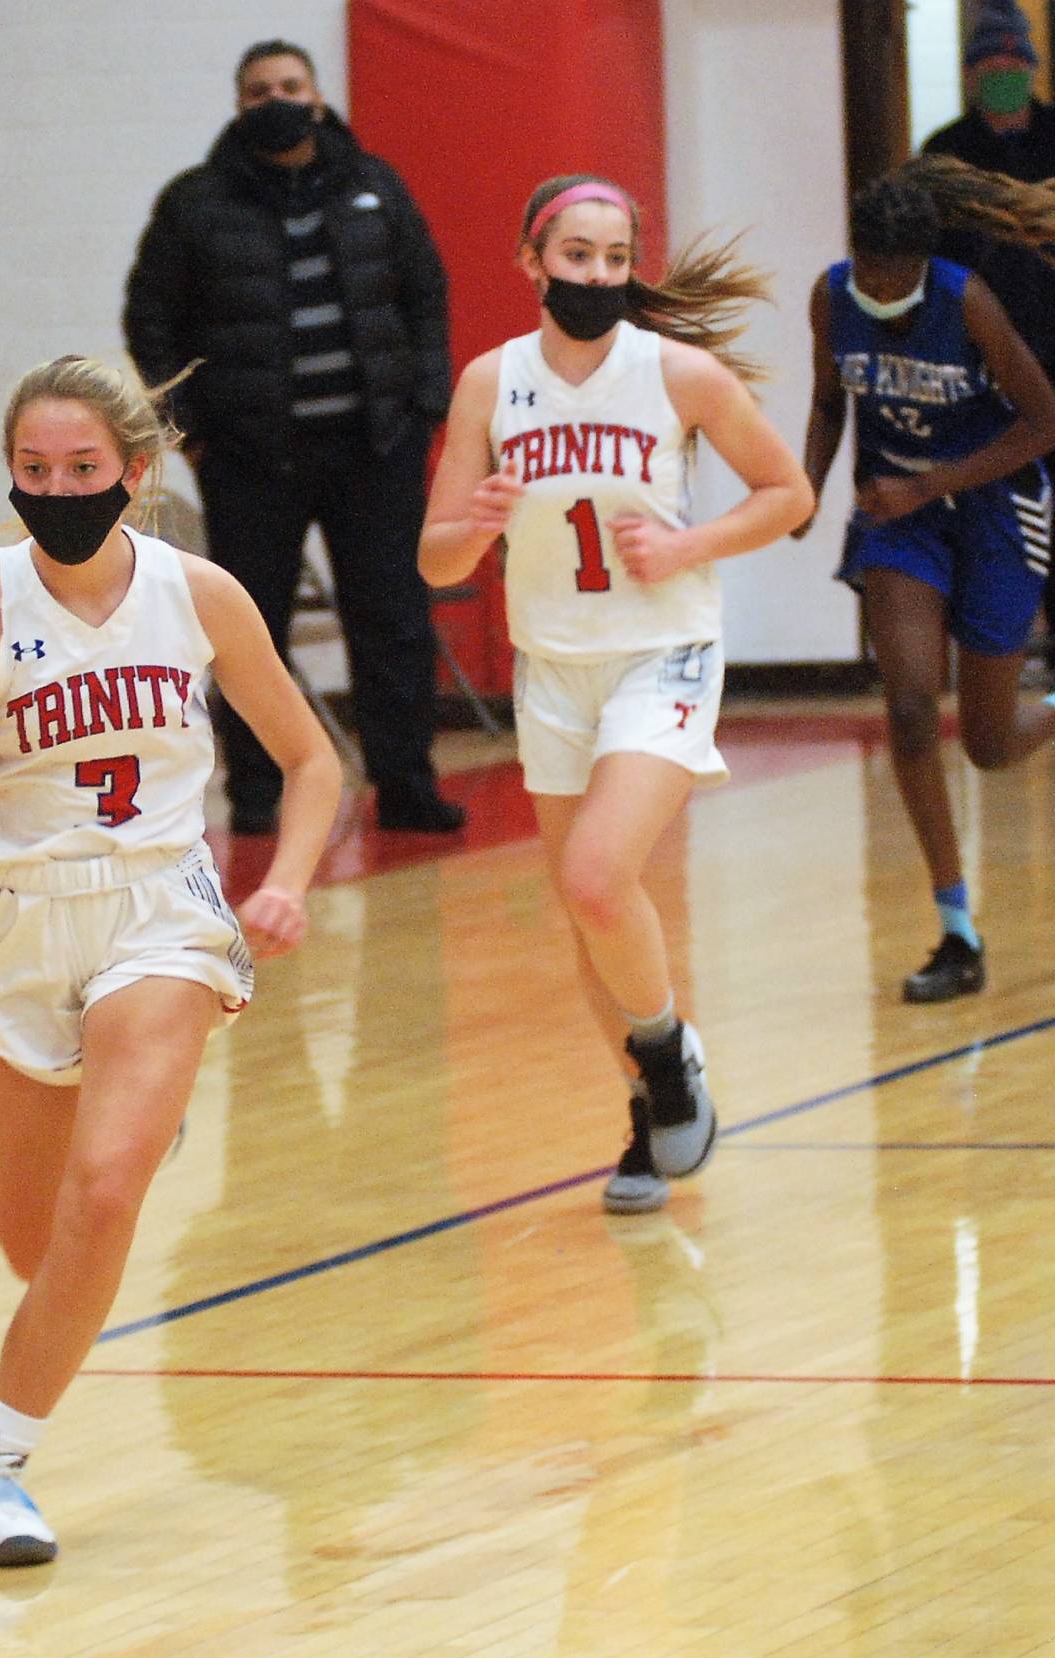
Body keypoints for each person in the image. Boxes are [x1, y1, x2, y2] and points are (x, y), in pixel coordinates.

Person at [0, 355, 340, 1566]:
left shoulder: (200, 595)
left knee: (103, 1197)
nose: (57, 489)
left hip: (158, 910)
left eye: (82, 469)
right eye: (34, 471)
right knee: (38, 1247)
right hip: (15, 920)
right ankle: (124, 1111)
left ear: (135, 474)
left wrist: (287, 882)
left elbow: (312, 763)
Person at [418, 174, 812, 1216]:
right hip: (552, 665)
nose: (594, 273)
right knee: (586, 913)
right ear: (531, 260)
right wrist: (476, 523)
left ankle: (668, 1051)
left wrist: (689, 543)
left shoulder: (679, 374)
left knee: (599, 875)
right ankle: (648, 1110)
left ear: (629, 267)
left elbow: (790, 494)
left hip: (663, 650)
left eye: (611, 257)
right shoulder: (487, 385)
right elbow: (434, 561)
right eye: (575, 255)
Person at [796, 156, 1055, 1005]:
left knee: (986, 742)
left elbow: (1048, 424)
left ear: (925, 270)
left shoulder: (966, 300)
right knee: (907, 707)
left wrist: (931, 484)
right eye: (872, 281)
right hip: (900, 515)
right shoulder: (831, 298)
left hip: (994, 505)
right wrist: (805, 483)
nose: (885, 299)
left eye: (899, 288)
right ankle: (957, 930)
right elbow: (831, 400)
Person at [124, 37, 463, 838]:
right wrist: (193, 434)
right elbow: (150, 321)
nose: (273, 99)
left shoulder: (376, 185)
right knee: (248, 632)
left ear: (317, 96)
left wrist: (426, 405)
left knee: (393, 617)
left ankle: (406, 784)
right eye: (256, 90)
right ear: (237, 104)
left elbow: (426, 293)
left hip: (376, 449)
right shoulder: (194, 203)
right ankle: (257, 793)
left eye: (288, 85)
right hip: (249, 460)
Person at [919, 0, 1055, 683]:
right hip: (976, 362)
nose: (1004, 72)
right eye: (991, 62)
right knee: (985, 497)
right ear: (971, 73)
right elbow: (925, 262)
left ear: (1032, 67)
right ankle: (991, 639)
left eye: (1014, 61)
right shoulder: (945, 154)